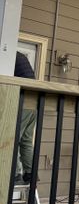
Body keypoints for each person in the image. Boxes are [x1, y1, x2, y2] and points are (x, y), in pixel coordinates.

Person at [14, 51, 37, 185]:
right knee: (26, 141)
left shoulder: (8, 54)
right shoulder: (20, 56)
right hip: (33, 103)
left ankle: (15, 173)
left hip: (22, 102)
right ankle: (30, 173)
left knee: (12, 138)